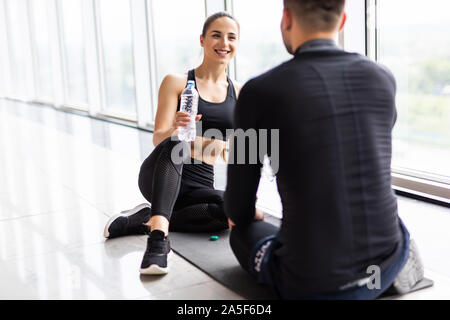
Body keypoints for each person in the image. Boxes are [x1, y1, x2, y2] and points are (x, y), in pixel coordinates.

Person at [224, 0, 424, 299]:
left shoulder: (258, 92)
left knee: (243, 233)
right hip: (388, 261)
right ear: (342, 21)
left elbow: (238, 206)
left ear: (286, 18)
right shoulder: (382, 78)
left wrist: (245, 213)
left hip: (312, 283)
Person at [103, 12, 263, 274]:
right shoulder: (177, 82)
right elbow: (159, 138)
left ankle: (146, 219)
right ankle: (158, 240)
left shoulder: (240, 91)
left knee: (231, 210)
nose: (224, 42)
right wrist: (178, 130)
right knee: (177, 142)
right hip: (161, 174)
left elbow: (240, 151)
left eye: (231, 37)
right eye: (216, 35)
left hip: (199, 186)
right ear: (202, 40)